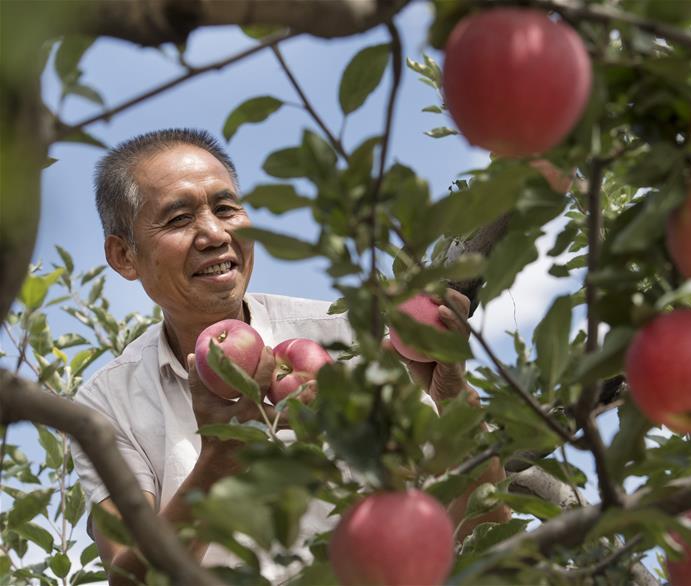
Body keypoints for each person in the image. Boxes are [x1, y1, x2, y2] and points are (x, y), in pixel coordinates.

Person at [70, 128, 508, 585]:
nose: (215, 234)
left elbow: (486, 533)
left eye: (226, 209)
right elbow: (131, 579)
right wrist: (219, 461)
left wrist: (455, 403)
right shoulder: (109, 403)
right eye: (179, 219)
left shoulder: (347, 338)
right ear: (124, 256)